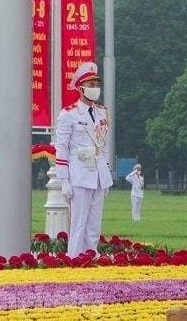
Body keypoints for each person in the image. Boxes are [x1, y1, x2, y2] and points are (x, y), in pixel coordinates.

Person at [56, 61, 112, 257]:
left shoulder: (102, 112)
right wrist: (64, 180)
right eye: (91, 85)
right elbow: (61, 148)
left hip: (98, 174)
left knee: (94, 223)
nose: (95, 89)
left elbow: (102, 145)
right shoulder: (69, 114)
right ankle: (74, 257)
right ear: (81, 88)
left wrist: (106, 175)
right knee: (78, 222)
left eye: (97, 85)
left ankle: (91, 255)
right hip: (79, 174)